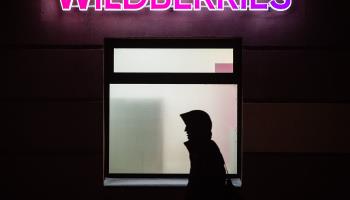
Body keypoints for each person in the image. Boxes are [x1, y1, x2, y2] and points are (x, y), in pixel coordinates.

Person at [180, 110, 227, 200]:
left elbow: (201, 183)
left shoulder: (204, 150)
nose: (185, 129)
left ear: (198, 128)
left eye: (189, 125)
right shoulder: (204, 147)